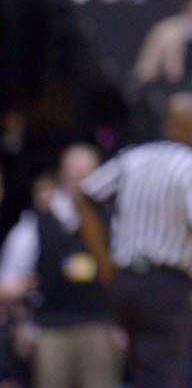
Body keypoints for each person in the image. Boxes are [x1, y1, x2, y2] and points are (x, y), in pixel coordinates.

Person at [77, 93, 192, 388]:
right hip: (167, 284)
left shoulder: (134, 157)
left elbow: (85, 196)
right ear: (180, 128)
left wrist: (103, 260)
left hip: (125, 282)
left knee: (138, 373)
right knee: (165, 376)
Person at [0, 145, 123, 388]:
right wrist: (25, 319)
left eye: (87, 173)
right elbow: (8, 280)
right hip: (50, 328)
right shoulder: (36, 223)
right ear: (62, 173)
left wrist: (122, 325)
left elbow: (124, 278)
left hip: (98, 326)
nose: (80, 180)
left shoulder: (112, 222)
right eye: (74, 172)